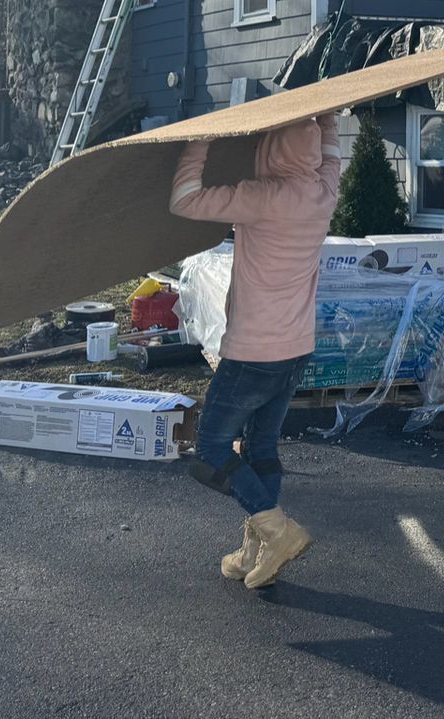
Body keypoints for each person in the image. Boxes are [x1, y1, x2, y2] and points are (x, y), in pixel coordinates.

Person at [169, 112, 343, 589]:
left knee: (209, 450)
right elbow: (331, 156)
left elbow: (184, 200)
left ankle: (278, 531)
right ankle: (258, 547)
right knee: (261, 444)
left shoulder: (260, 197)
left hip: (252, 353)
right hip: (296, 348)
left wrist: (200, 140)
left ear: (271, 148)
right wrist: (326, 122)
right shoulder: (323, 192)